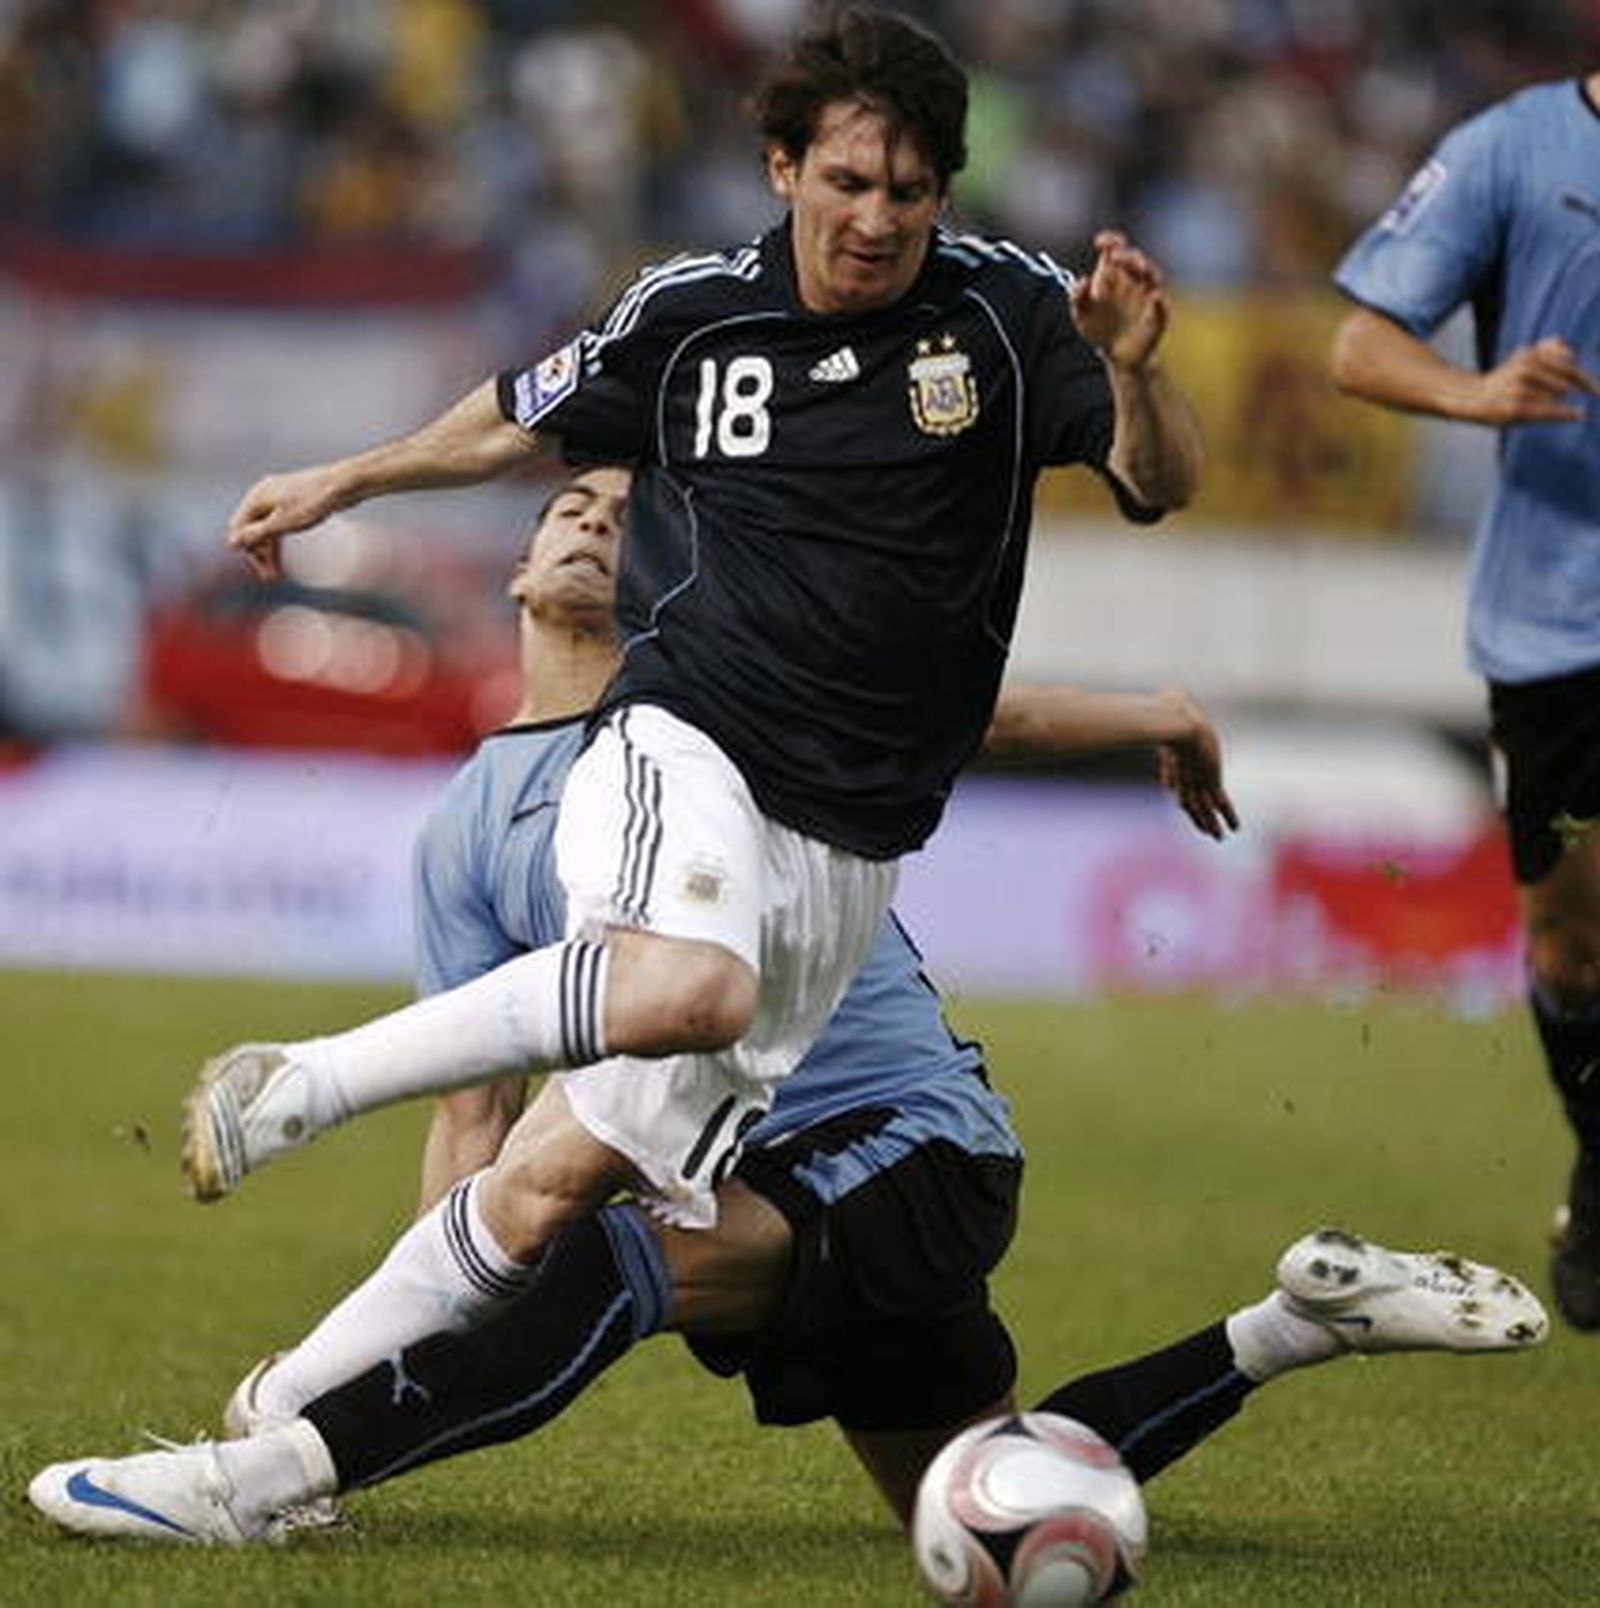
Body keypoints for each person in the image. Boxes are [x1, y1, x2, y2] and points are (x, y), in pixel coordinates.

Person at [26, 468, 1547, 1545]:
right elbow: (472, 1127)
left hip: (908, 1146)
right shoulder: (466, 828)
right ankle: (1293, 1322)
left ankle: (266, 1479)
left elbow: (966, 712)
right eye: (569, 505)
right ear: (512, 570)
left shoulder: (723, 724)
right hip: (743, 1161)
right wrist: (412, 1347)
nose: (591, 520)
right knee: (991, 1503)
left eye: (625, 515)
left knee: (613, 1251)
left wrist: (1148, 710)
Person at [177, 6, 1202, 1382]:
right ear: (784, 169)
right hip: (693, 744)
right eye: (847, 181)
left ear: (943, 193)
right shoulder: (692, 312)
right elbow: (517, 415)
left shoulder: (1009, 315)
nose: (876, 220)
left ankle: (284, 1416)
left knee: (554, 1181)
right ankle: (309, 1079)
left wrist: (1134, 368)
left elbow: (1155, 481)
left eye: (908, 192)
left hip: (847, 848)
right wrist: (343, 480)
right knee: (694, 989)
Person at [1327, 71, 1600, 1329]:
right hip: (1556, 618)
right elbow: (1358, 343)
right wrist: (1473, 393)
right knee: (1572, 944)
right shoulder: (1511, 148)